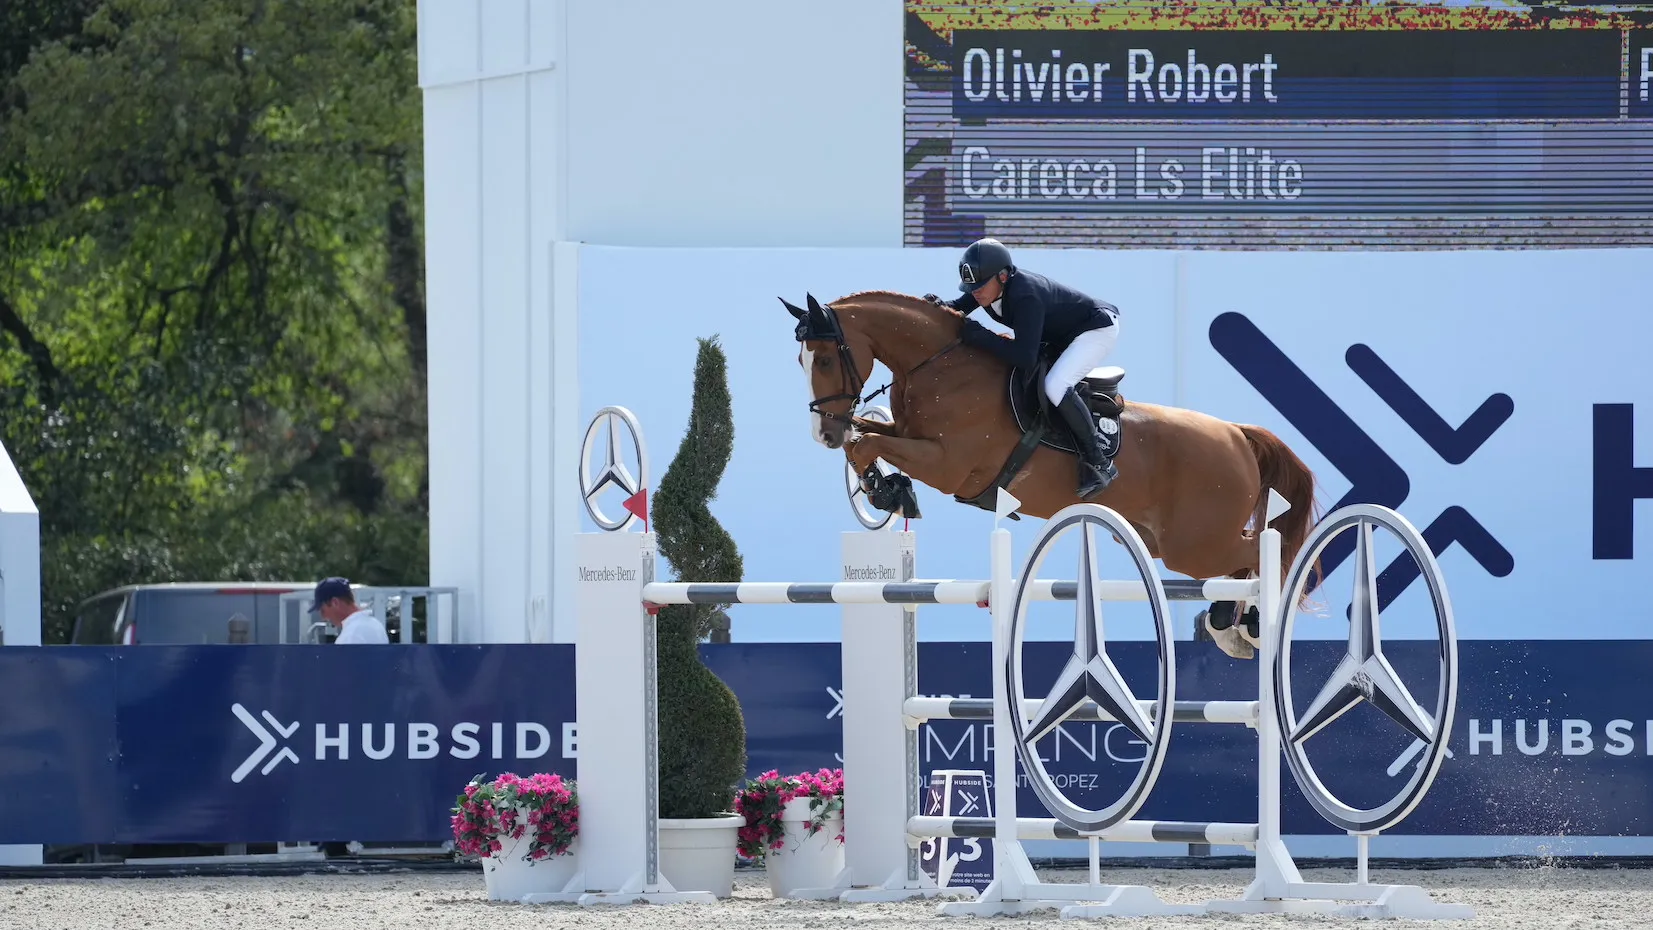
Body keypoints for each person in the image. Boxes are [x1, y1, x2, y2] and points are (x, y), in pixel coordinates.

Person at [929, 237, 1121, 497]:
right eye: (971, 287)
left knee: (1055, 386)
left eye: (980, 285)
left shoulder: (1025, 295)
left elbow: (1024, 357)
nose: (975, 292)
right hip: (1064, 334)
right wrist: (935, 307)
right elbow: (957, 308)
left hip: (1096, 330)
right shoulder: (986, 288)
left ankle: (1099, 462)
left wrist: (982, 336)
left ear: (1003, 276)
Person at [308, 576, 390, 644]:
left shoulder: (350, 635)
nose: (323, 617)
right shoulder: (376, 624)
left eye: (323, 611)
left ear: (335, 602)